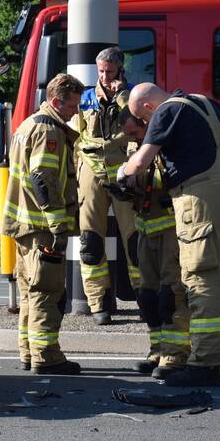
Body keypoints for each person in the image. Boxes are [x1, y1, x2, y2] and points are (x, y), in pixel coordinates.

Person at [121, 83, 220, 387]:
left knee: (200, 279)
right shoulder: (203, 102)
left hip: (199, 200)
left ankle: (204, 364)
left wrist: (123, 173)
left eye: (142, 119)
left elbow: (141, 161)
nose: (145, 125)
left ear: (147, 108)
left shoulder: (165, 112)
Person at [1, 73, 84, 375]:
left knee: (28, 293)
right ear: (55, 101)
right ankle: (46, 356)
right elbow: (43, 179)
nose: (75, 112)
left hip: (24, 226)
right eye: (72, 106)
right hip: (42, 229)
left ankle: (28, 352)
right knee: (46, 293)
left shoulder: (26, 125)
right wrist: (58, 224)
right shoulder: (49, 131)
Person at [110, 107, 190, 380]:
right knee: (148, 295)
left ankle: (175, 354)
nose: (131, 138)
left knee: (171, 294)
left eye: (134, 132)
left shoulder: (168, 145)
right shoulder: (137, 148)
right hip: (146, 228)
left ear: (146, 123)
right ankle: (156, 350)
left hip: (170, 230)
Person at [73, 47, 140, 325]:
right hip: (91, 172)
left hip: (126, 172)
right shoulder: (86, 98)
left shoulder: (134, 96)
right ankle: (98, 301)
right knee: (90, 241)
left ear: (120, 70)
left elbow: (138, 128)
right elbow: (77, 137)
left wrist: (122, 96)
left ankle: (144, 296)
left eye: (109, 72)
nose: (104, 76)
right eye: (101, 71)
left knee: (136, 240)